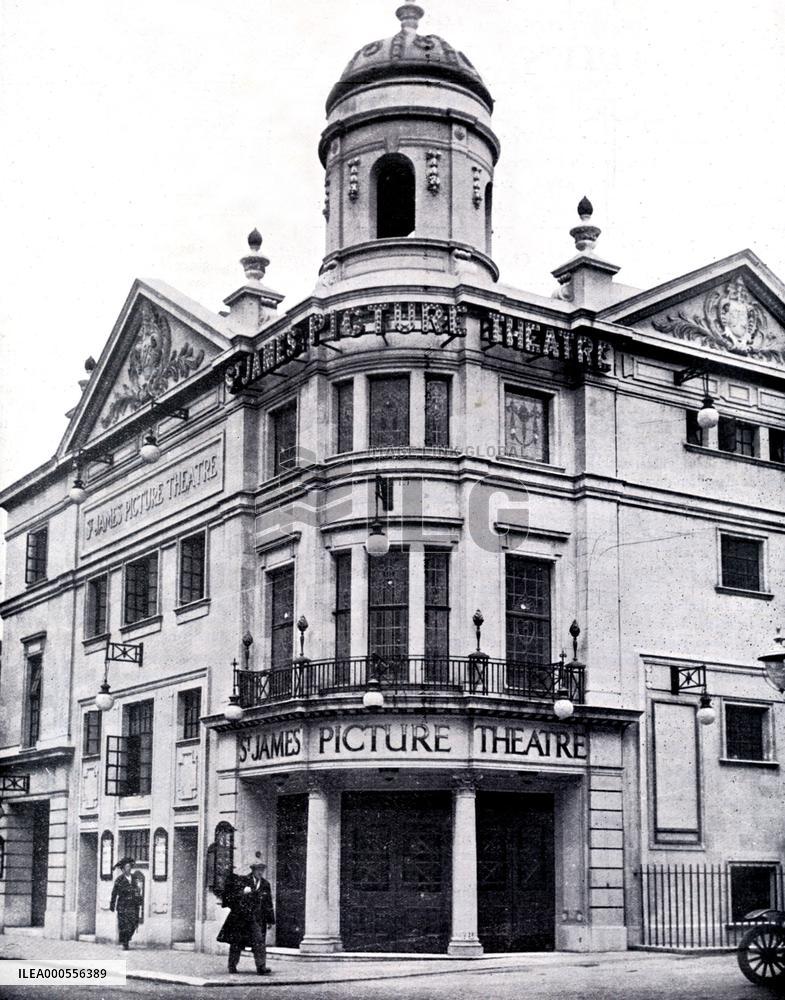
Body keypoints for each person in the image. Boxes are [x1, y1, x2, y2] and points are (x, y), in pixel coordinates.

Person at [217, 854, 275, 974]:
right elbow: (232, 896)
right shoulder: (243, 881)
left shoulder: (265, 884)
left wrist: (270, 920)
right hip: (241, 919)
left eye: (262, 870)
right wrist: (242, 892)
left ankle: (261, 967)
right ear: (253, 870)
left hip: (257, 919)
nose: (260, 872)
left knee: (259, 942)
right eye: (258, 869)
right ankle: (232, 966)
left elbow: (268, 903)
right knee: (236, 942)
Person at [109, 857, 141, 950]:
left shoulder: (134, 877)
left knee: (133, 923)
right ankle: (125, 942)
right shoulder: (119, 880)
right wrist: (112, 904)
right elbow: (114, 893)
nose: (129, 868)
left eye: (129, 866)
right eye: (127, 867)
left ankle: (127, 938)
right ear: (123, 869)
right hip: (123, 905)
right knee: (124, 925)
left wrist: (139, 899)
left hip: (133, 904)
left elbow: (138, 889)